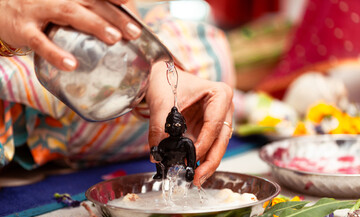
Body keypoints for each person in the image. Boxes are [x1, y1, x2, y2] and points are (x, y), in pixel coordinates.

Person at [0, 0, 235, 187]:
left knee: (213, 62)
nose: (174, 128)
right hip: (19, 56)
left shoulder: (181, 139)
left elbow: (120, 14)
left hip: (80, 46)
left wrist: (151, 68)